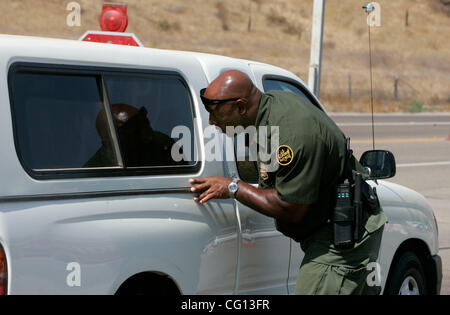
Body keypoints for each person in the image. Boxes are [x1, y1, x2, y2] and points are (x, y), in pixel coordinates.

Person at [189, 70, 387, 295]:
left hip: (341, 239)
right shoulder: (269, 110)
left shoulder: (292, 137)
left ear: (241, 106)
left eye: (215, 112)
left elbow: (290, 207)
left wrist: (233, 187)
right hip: (338, 227)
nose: (211, 121)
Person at [85, 103, 183, 168]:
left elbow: (189, 180)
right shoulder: (94, 170)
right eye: (136, 132)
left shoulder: (162, 144)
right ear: (111, 141)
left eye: (146, 126)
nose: (149, 137)